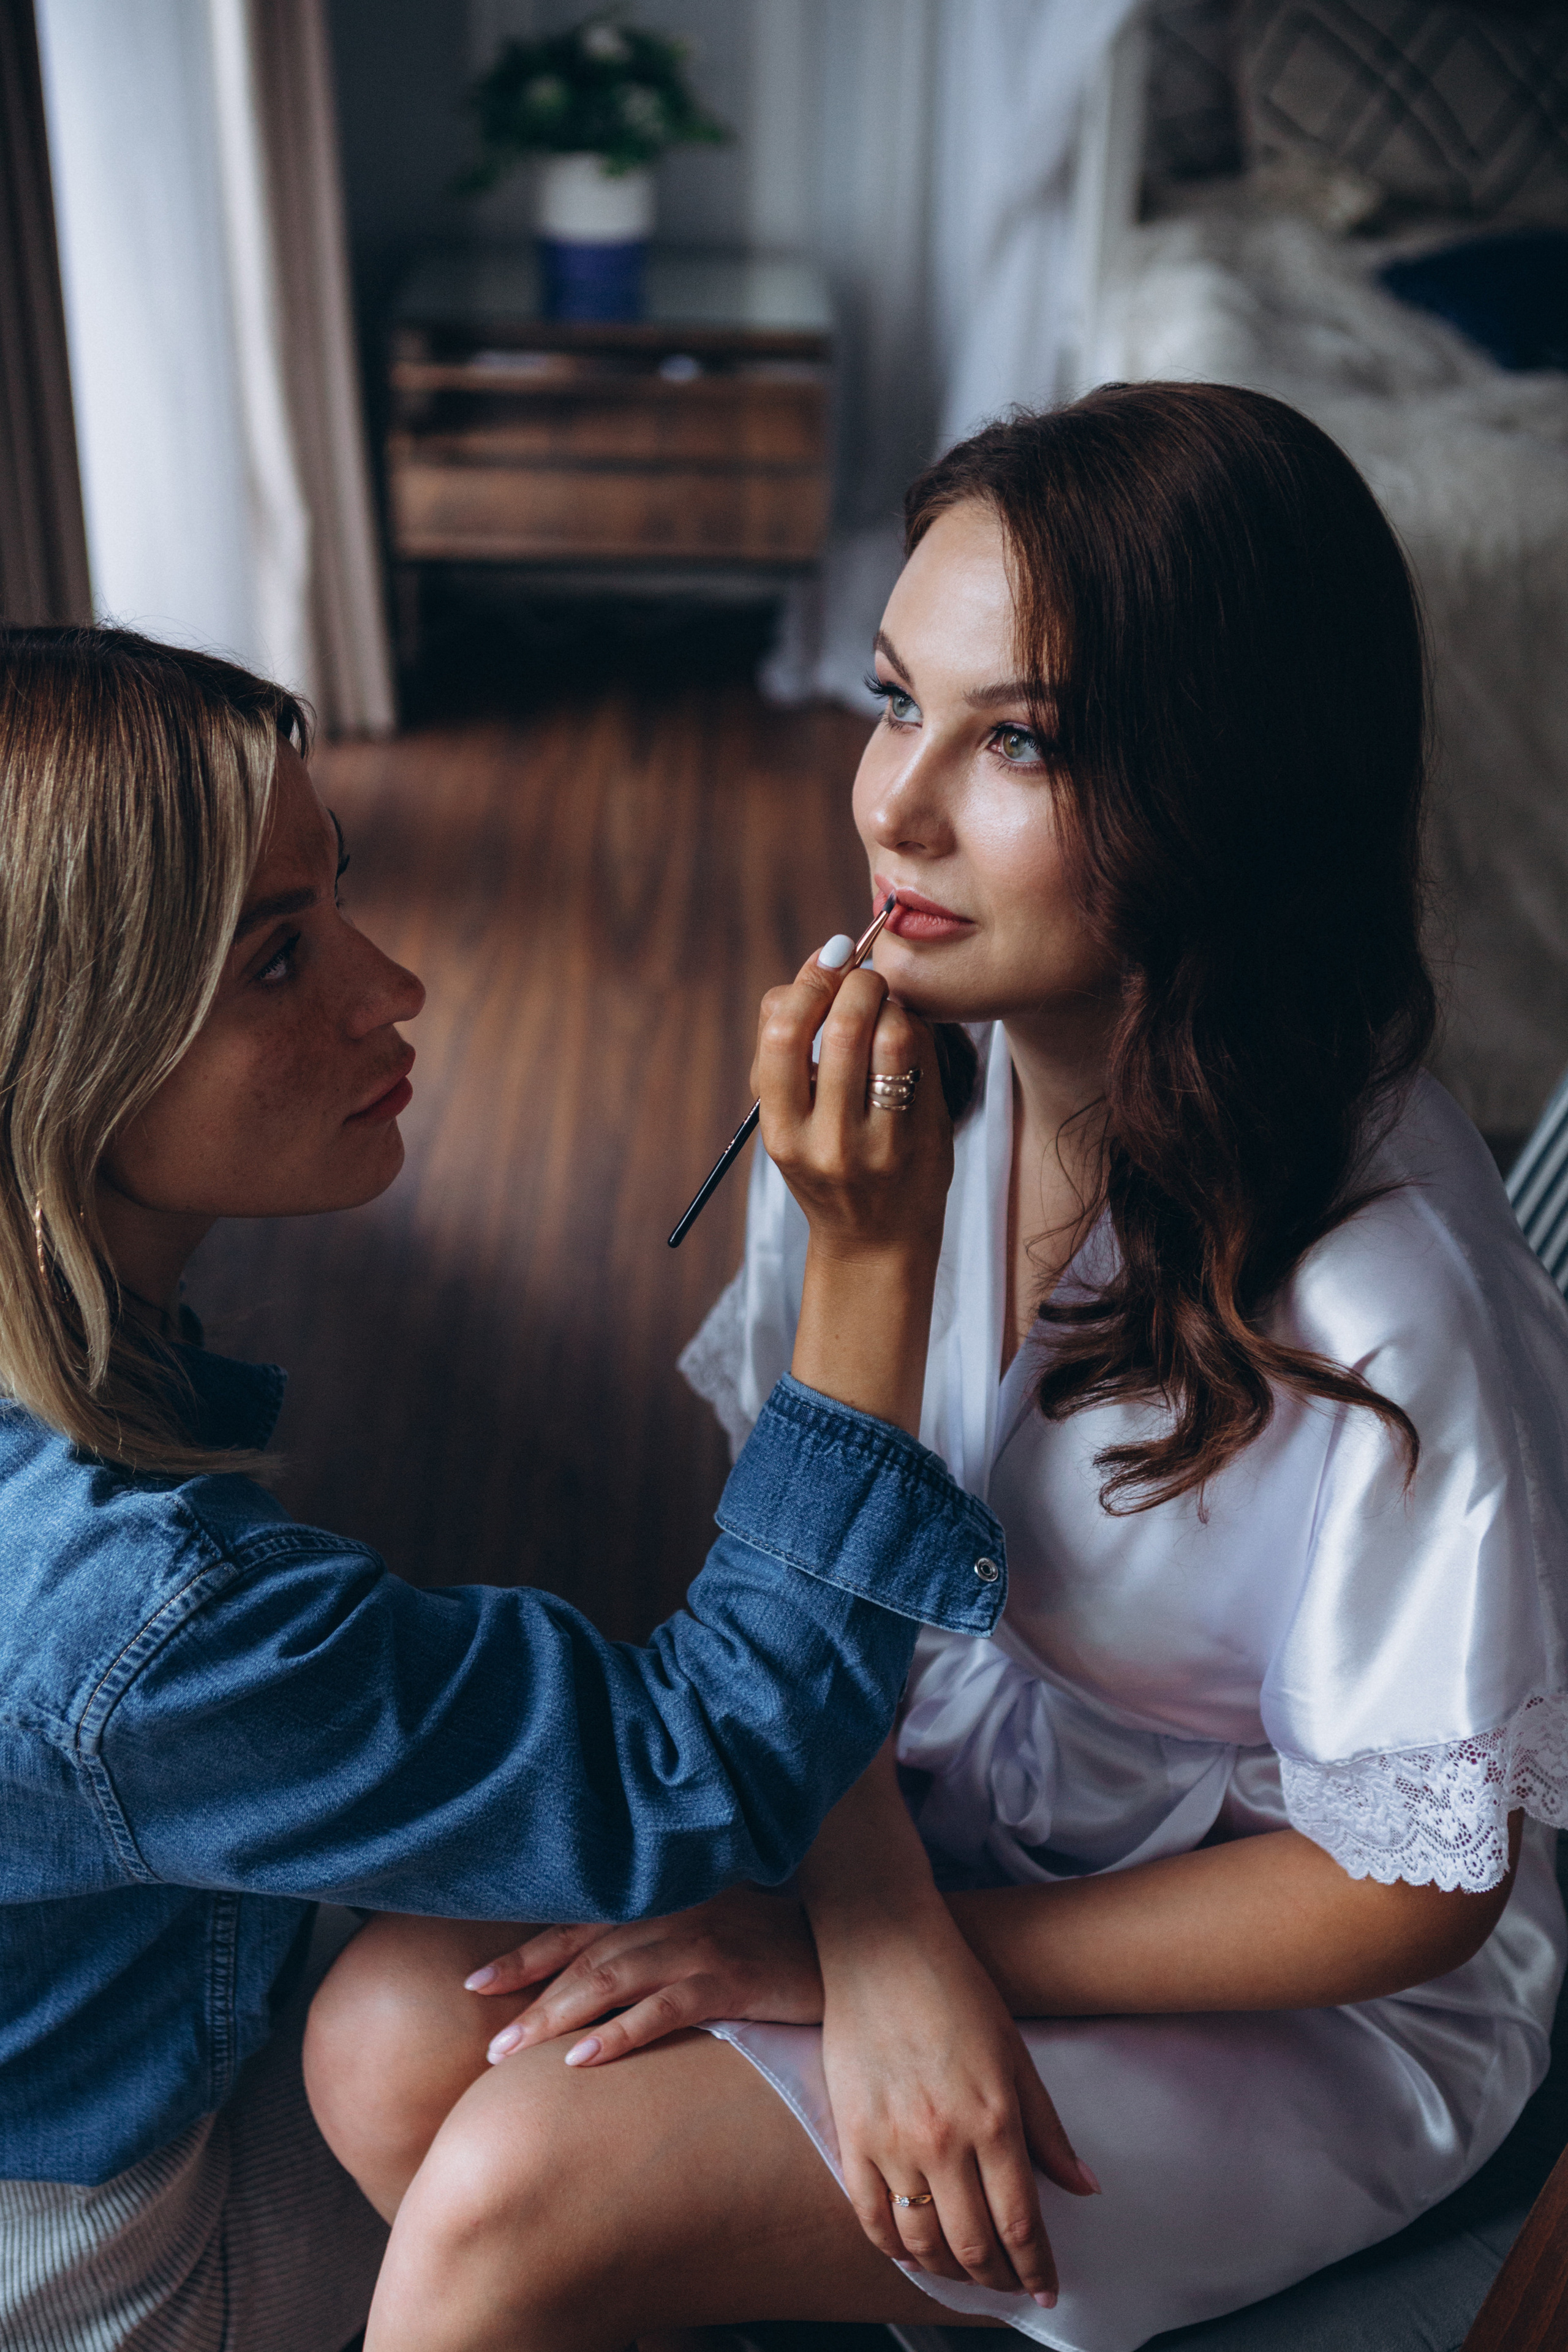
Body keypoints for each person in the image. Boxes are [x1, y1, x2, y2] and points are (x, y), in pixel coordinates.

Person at [308, 383, 1568, 2352]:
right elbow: (810, 1585)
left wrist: (898, 1956)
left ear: (1224, 790)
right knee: (389, 2037)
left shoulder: (1387, 1293)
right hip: (909, 1813)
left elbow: (1409, 1894)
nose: (896, 803)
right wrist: (864, 1929)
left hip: (1275, 1990)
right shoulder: (895, 1082)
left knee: (500, 2207)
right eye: (899, 700)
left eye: (1022, 742)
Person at [0, 622, 1017, 2352]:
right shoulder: (125, 1617)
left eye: (338, 896)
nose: (389, 989)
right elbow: (690, 1770)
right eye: (276, 962)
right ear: (69, 1042)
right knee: (568, 2151)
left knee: (447, 2013)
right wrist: (866, 1262)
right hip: (98, 2264)